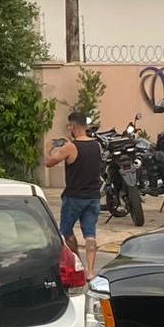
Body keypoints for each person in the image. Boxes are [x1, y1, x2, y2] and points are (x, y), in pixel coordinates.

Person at [44, 111, 102, 275]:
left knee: (66, 231)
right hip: (93, 197)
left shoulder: (70, 147)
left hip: (74, 197)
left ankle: (78, 263)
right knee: (90, 234)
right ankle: (91, 271)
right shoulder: (97, 145)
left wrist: (48, 148)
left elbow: (49, 162)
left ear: (73, 126)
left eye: (70, 126)